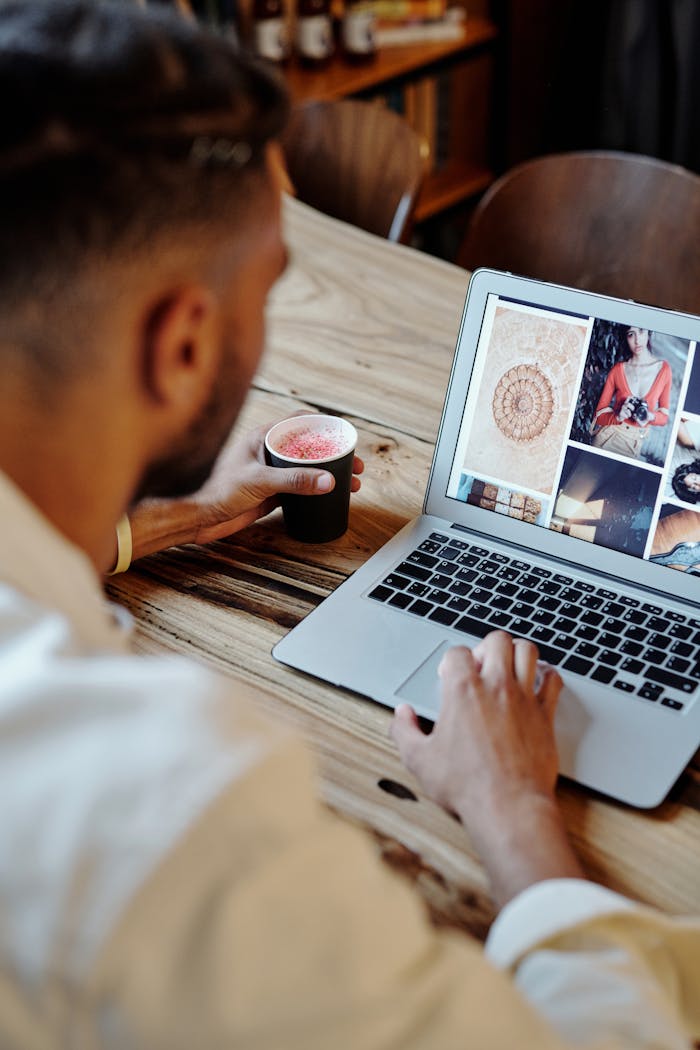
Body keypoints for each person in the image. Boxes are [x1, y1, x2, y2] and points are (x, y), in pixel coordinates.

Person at [0, 3, 698, 1048]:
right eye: (266, 290)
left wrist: (132, 525)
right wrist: (510, 811)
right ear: (183, 344)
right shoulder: (177, 806)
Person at [590, 326, 671, 459]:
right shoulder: (618, 370)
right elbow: (598, 415)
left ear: (649, 332)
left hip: (634, 443)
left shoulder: (664, 370)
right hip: (608, 436)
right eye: (631, 334)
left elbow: (664, 417)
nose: (637, 340)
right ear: (626, 338)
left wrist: (650, 417)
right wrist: (618, 416)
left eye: (641, 331)